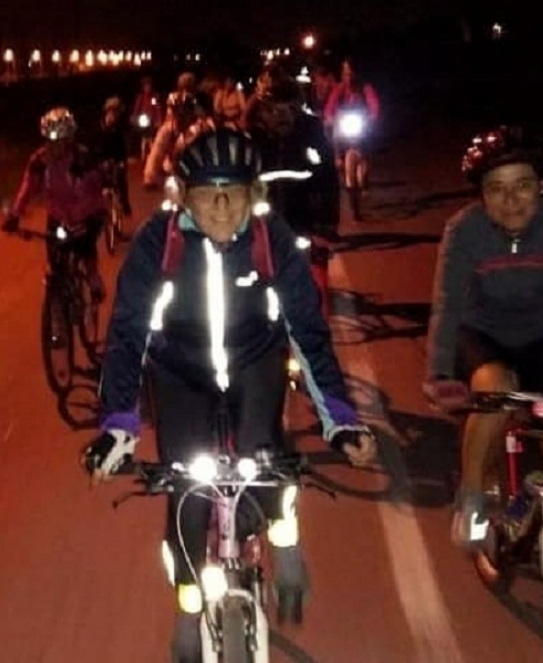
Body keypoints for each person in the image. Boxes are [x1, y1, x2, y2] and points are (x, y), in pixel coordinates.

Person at [82, 125, 376, 661]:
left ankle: (285, 543)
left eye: (234, 191)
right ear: (185, 196)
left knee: (267, 459)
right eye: (207, 191)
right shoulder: (159, 242)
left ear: (253, 194)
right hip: (180, 371)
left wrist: (340, 417)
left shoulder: (271, 238)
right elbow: (127, 334)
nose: (220, 205)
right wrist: (118, 426)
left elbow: (308, 331)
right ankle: (189, 609)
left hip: (254, 360)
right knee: (186, 497)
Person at [424, 126, 543, 550]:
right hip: (478, 335)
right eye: (496, 189)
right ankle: (472, 495)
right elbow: (448, 303)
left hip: (540, 335)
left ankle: (542, 492)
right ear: (481, 196)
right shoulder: (465, 230)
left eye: (523, 186)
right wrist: (439, 372)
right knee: (496, 387)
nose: (510, 201)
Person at [246, 63, 340, 317]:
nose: (280, 115)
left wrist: (325, 228)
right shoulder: (249, 135)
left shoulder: (311, 129)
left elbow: (328, 178)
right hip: (263, 222)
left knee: (316, 290)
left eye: (286, 107)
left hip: (304, 219)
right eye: (273, 108)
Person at [3, 107, 109, 300]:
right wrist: (14, 214)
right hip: (57, 217)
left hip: (84, 216)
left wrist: (95, 215)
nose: (53, 145)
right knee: (55, 267)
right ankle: (58, 311)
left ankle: (94, 278)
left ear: (69, 140)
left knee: (86, 248)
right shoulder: (39, 161)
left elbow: (95, 190)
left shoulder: (82, 158)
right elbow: (28, 187)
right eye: (50, 140)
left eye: (59, 140)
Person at [323, 57, 381, 183]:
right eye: (345, 72)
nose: (347, 76)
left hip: (360, 123)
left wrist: (372, 117)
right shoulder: (339, 88)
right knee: (332, 134)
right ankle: (337, 156)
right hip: (343, 125)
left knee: (367, 142)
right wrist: (329, 117)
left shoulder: (365, 88)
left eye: (350, 72)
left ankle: (365, 164)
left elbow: (373, 103)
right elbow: (330, 106)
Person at [143, 91, 203, 189]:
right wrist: (149, 177)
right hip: (175, 172)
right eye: (176, 111)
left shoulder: (199, 128)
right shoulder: (167, 130)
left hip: (198, 175)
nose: (180, 115)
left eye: (183, 111)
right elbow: (156, 153)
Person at [93, 96, 134, 220]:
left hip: (116, 158)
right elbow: (93, 146)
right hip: (101, 158)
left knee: (121, 179)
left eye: (116, 113)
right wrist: (97, 161)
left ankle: (125, 204)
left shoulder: (119, 129)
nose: (114, 116)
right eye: (112, 112)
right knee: (96, 181)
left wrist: (122, 162)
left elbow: (123, 146)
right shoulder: (99, 127)